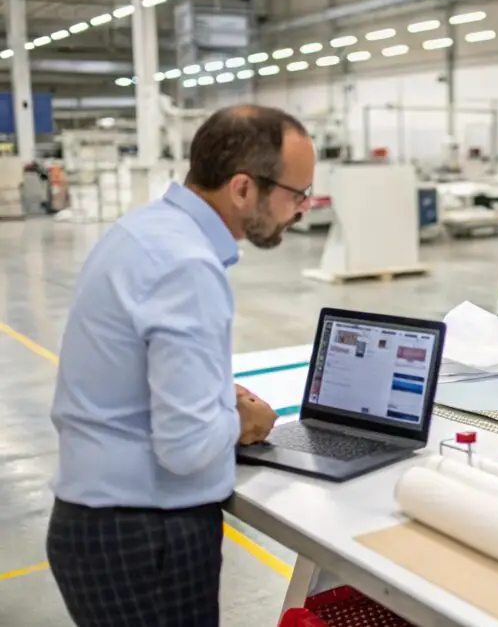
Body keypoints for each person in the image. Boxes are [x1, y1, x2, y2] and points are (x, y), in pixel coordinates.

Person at [46, 104, 316, 626]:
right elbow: (187, 446)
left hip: (102, 526)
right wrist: (241, 417)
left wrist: (214, 394)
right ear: (243, 188)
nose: (301, 210)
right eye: (295, 195)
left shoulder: (146, 231)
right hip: (144, 541)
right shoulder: (186, 266)